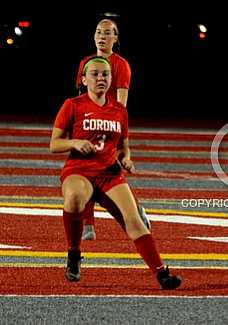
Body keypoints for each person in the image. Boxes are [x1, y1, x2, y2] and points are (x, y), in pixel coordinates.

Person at [50, 56, 181, 289]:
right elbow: (54, 144)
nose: (101, 78)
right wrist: (74, 143)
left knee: (135, 221)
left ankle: (161, 273)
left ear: (111, 79)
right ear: (83, 79)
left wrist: (126, 159)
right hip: (79, 170)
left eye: (105, 74)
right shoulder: (73, 104)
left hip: (110, 173)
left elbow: (123, 147)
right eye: (95, 74)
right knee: (74, 198)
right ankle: (73, 254)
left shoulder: (119, 110)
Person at [76, 18, 149, 240]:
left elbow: (121, 103)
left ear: (115, 38)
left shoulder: (121, 65)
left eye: (107, 33)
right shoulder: (85, 63)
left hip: (109, 125)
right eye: (98, 32)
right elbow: (80, 98)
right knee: (83, 169)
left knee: (112, 173)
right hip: (88, 124)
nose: (101, 36)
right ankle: (88, 225)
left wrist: (112, 129)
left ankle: (136, 211)